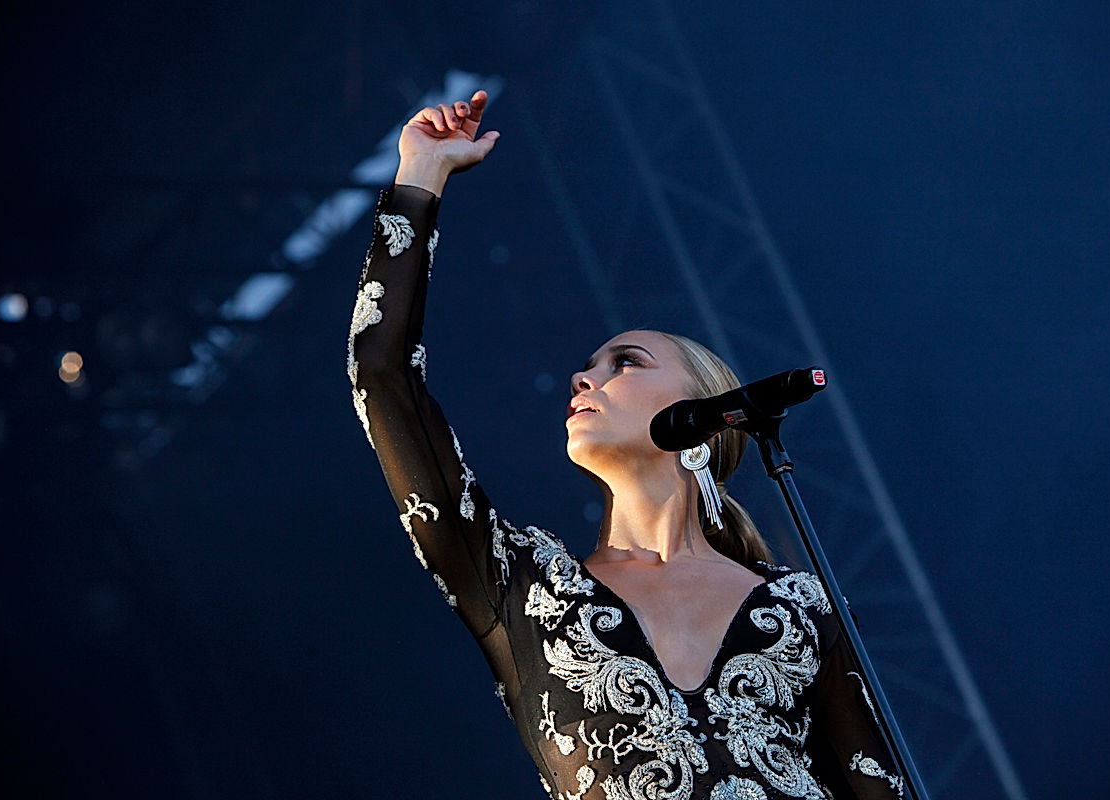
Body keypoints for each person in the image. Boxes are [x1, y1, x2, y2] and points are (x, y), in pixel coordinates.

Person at [348, 90, 906, 800]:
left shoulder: (801, 608)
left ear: (702, 412)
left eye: (627, 362)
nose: (586, 375)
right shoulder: (524, 586)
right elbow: (385, 380)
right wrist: (419, 176)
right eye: (592, 365)